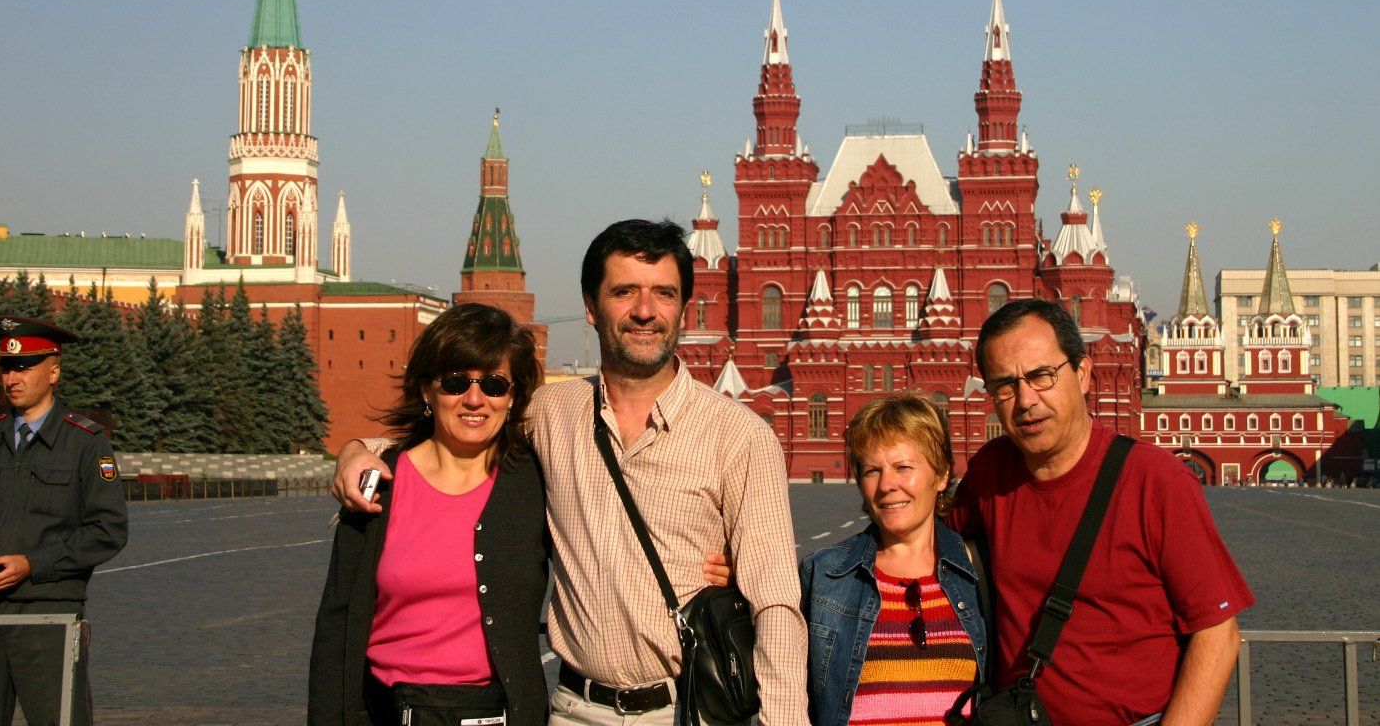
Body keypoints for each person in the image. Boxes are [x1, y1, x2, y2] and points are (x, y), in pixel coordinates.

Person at [335, 219, 809, 726]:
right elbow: (461, 430)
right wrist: (358, 451)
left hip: (690, 709)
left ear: (683, 308)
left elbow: (775, 603)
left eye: (663, 293)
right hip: (573, 711)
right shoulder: (551, 414)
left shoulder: (739, 436)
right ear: (590, 307)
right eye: (624, 292)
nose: (645, 311)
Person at [950, 299, 1253, 725]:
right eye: (1005, 385)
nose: (1025, 400)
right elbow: (923, 546)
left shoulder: (1156, 481)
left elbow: (1218, 634)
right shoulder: (991, 473)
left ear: (1083, 374)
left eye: (1041, 376)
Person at [308, 302, 551, 726]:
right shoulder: (379, 485)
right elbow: (337, 626)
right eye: (455, 382)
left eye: (494, 385)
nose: (474, 399)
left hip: (499, 714)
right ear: (426, 390)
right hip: (388, 712)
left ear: (513, 397)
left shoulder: (536, 483)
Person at [0, 316, 128, 726]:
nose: (12, 378)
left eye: (25, 367)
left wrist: (33, 564)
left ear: (53, 372)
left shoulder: (86, 442)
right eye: (6, 368)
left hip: (47, 612)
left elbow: (107, 530)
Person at [799, 393, 986, 726]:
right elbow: (781, 689)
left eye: (903, 467)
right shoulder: (824, 576)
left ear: (941, 475)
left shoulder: (979, 574)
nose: (887, 485)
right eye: (872, 470)